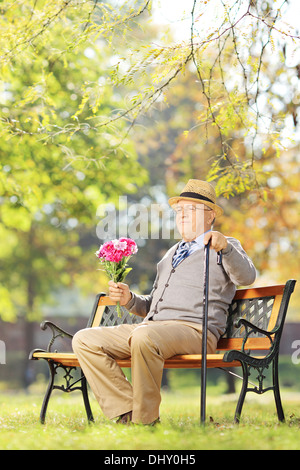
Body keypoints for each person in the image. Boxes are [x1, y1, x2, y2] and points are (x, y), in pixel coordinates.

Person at [72, 179, 256, 425]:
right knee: (84, 339)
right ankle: (127, 411)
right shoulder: (172, 252)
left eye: (191, 209)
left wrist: (226, 250)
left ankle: (144, 421)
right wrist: (130, 300)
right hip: (152, 329)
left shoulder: (226, 245)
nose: (182, 216)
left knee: (144, 338)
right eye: (179, 210)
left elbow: (247, 277)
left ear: (210, 215)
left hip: (195, 331)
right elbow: (153, 306)